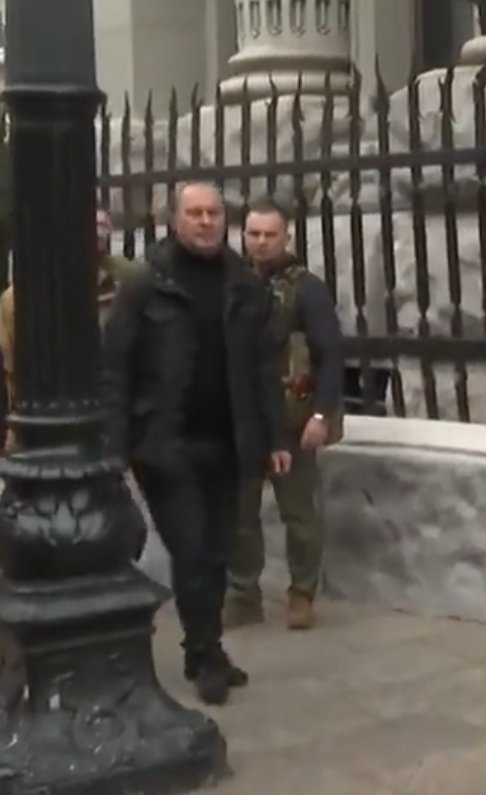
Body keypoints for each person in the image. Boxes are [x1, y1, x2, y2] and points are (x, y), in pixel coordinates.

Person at [100, 182, 293, 706]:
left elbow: (262, 369)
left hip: (228, 441)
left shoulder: (243, 284)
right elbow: (116, 368)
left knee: (218, 552)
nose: (206, 221)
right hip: (166, 444)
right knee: (192, 551)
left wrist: (276, 436)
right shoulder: (146, 283)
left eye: (213, 213)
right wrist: (116, 447)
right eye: (195, 213)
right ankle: (204, 654)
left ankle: (206, 647)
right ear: (175, 220)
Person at [224, 199, 345, 632]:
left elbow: (330, 354)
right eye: (253, 234)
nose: (260, 242)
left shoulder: (306, 288)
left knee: (298, 514)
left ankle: (301, 593)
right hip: (243, 418)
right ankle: (243, 595)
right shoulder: (232, 283)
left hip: (293, 419)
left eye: (269, 234)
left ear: (286, 237)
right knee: (239, 513)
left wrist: (321, 416)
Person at [0, 207, 136, 449]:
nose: (98, 231)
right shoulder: (19, 296)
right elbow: (11, 366)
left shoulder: (127, 282)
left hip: (110, 413)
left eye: (103, 225)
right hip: (43, 414)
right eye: (92, 224)